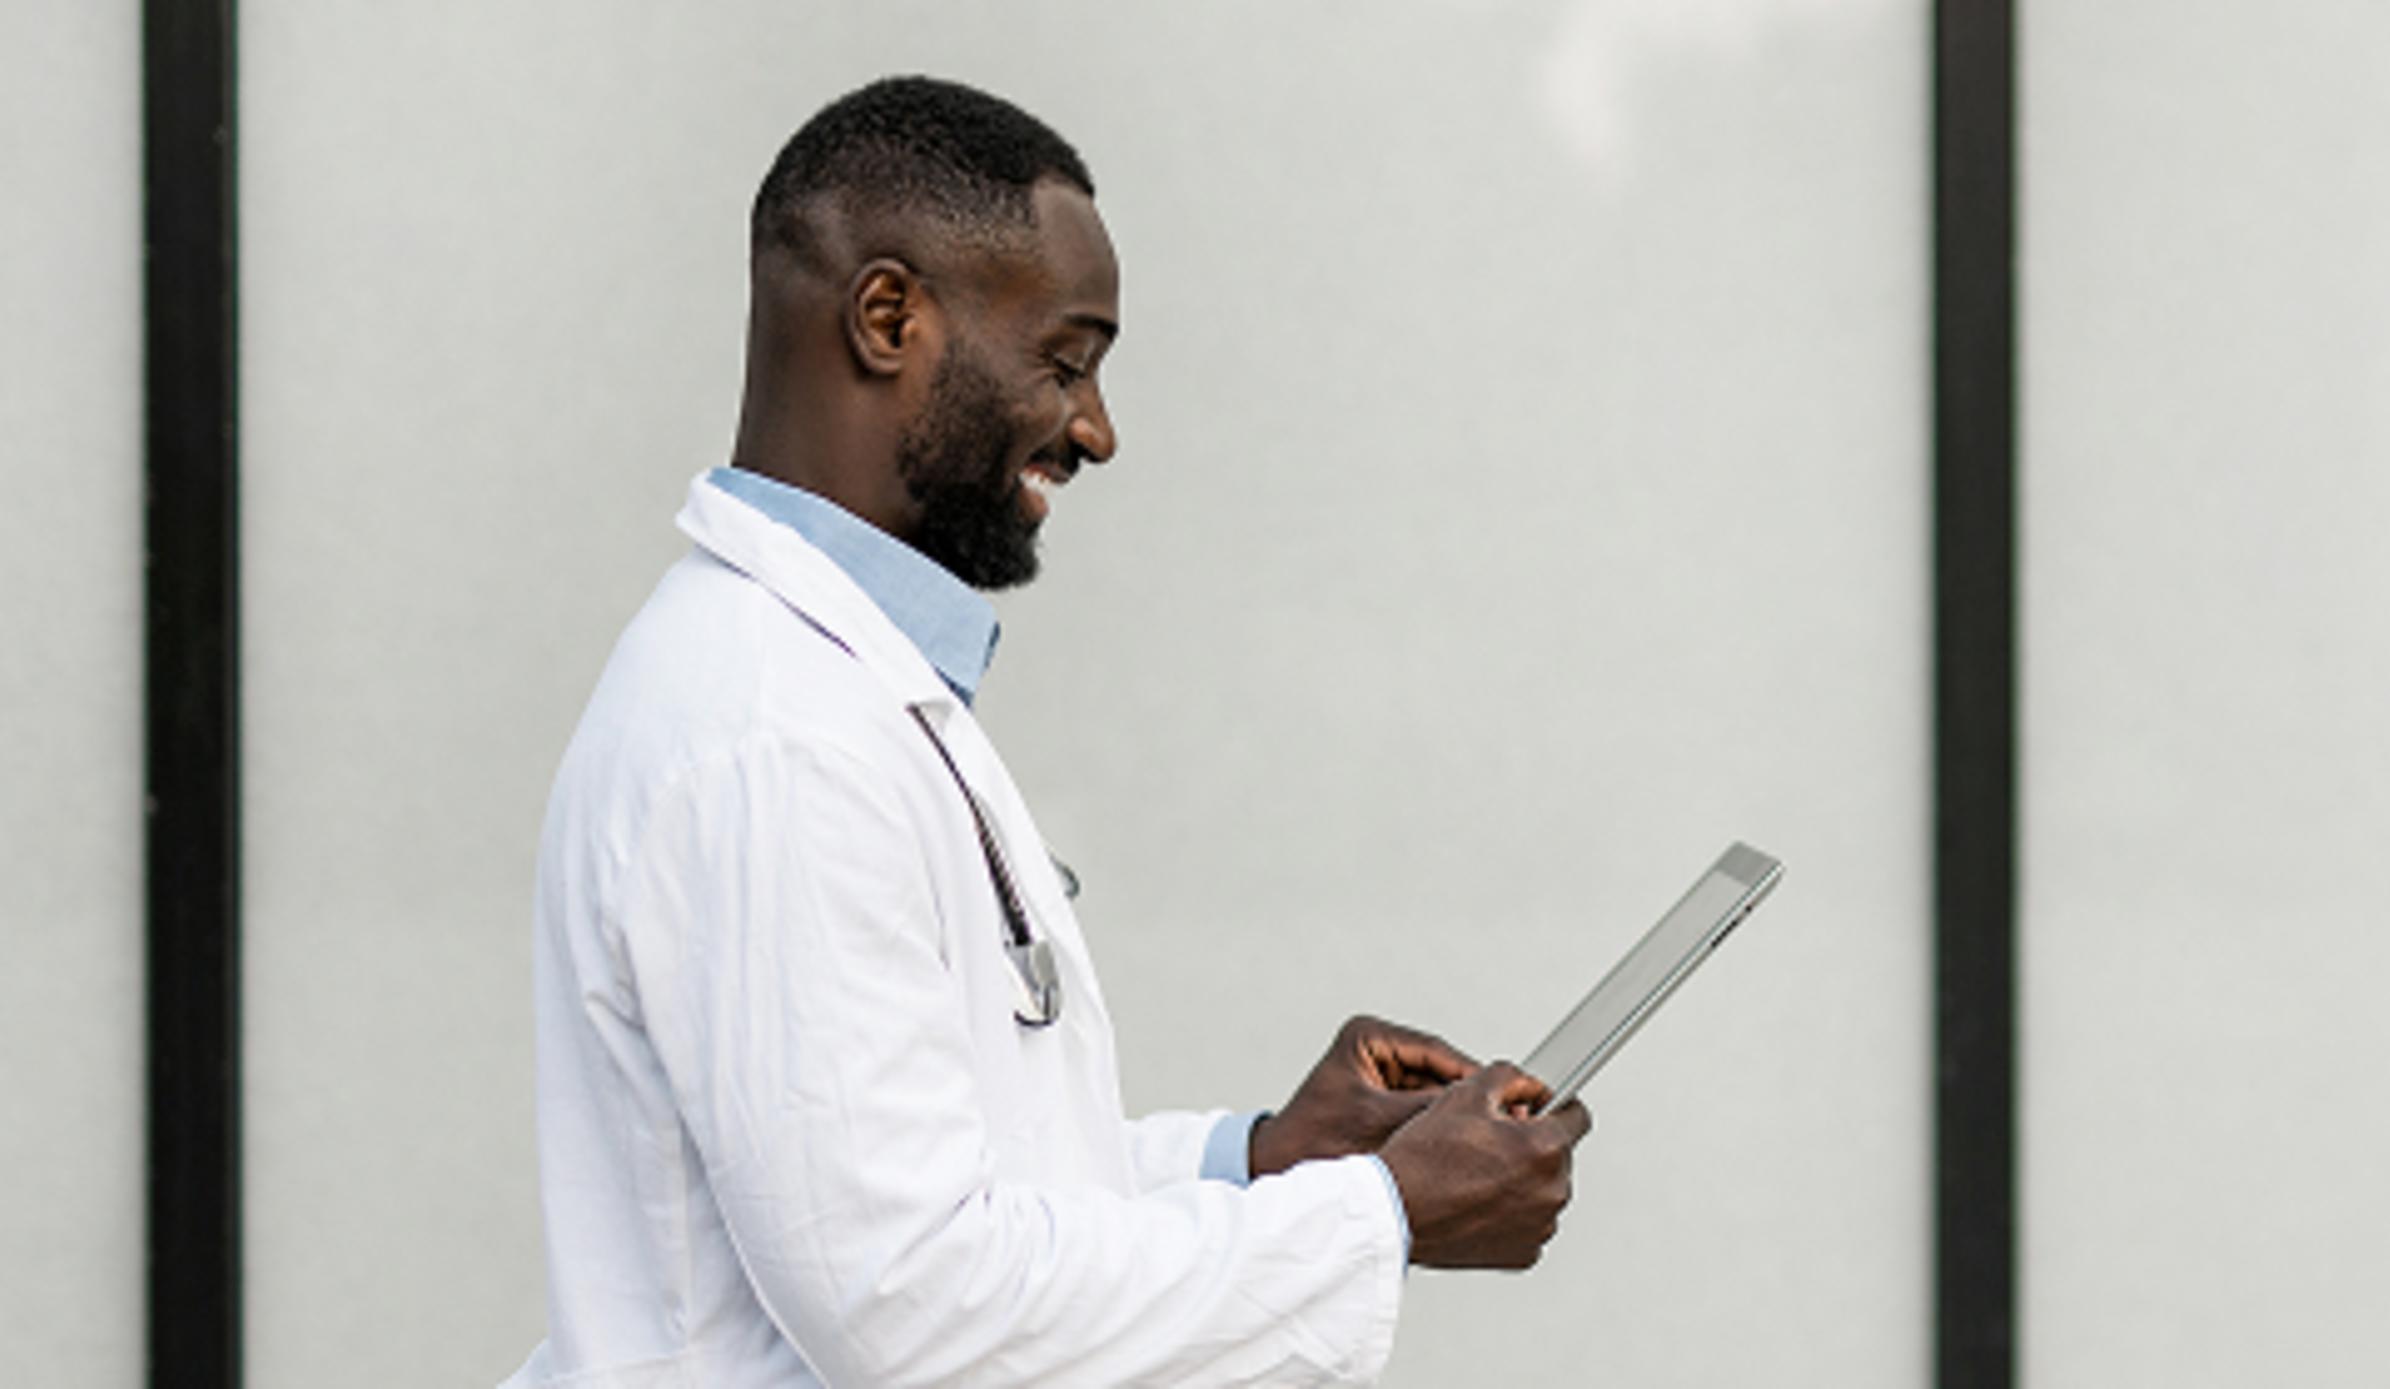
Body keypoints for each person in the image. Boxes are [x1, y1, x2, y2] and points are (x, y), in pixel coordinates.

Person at [507, 75, 1590, 1388]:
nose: (1096, 429)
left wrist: (1258, 1159)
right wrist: (1379, 1214)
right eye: (1065, 361)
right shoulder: (775, 737)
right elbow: (916, 1302)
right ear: (890, 316)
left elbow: (940, 1187)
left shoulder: (834, 691)